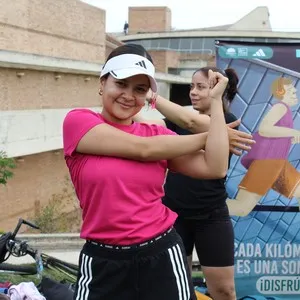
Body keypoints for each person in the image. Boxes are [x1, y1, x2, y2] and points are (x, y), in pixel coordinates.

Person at [62, 44, 231, 300]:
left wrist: (216, 103)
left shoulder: (158, 135)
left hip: (161, 253)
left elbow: (215, 167)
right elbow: (142, 149)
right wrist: (208, 137)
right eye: (121, 84)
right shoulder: (79, 122)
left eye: (139, 89)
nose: (129, 96)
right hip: (103, 260)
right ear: (102, 83)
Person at [134, 66, 248, 300]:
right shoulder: (178, 120)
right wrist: (132, 100)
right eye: (191, 87)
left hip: (211, 215)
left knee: (224, 291)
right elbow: (147, 129)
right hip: (174, 215)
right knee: (179, 288)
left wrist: (150, 95)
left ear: (216, 90)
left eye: (201, 87)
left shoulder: (227, 122)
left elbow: (194, 124)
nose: (193, 92)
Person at [227, 76, 300, 216]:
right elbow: (264, 128)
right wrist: (293, 132)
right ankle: (206, 207)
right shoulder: (280, 107)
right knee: (242, 208)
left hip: (277, 164)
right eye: (291, 91)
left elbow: (274, 135)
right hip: (266, 164)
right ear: (280, 92)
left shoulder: (286, 111)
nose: (295, 93)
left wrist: (290, 138)